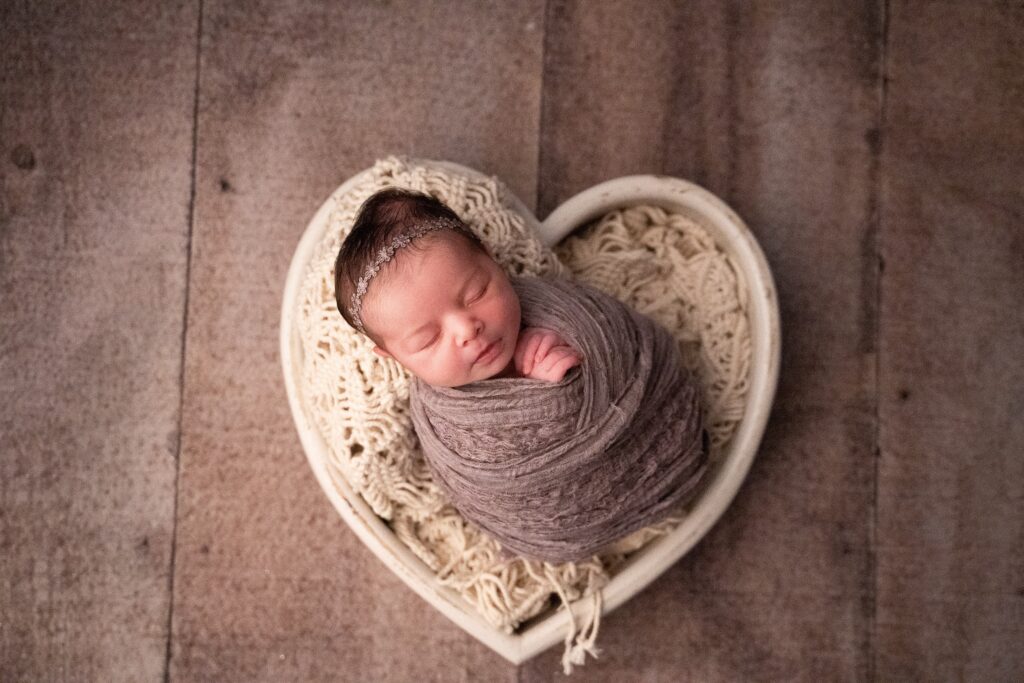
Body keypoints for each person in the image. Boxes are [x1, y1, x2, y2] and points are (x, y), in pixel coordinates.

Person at [334, 187, 581, 388]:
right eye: (428, 340)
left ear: (491, 258)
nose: (466, 331)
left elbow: (603, 329)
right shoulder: (441, 420)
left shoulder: (551, 305)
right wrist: (537, 393)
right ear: (396, 359)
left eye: (477, 294)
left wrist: (572, 343)